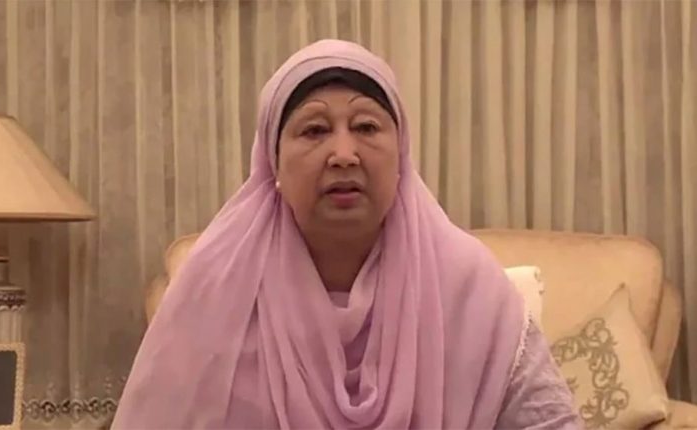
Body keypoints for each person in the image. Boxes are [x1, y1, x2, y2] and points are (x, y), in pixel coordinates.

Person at [112, 39, 580, 429]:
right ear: (273, 163)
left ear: (402, 155)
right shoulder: (215, 289)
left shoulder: (468, 287)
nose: (343, 154)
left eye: (366, 127)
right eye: (314, 130)